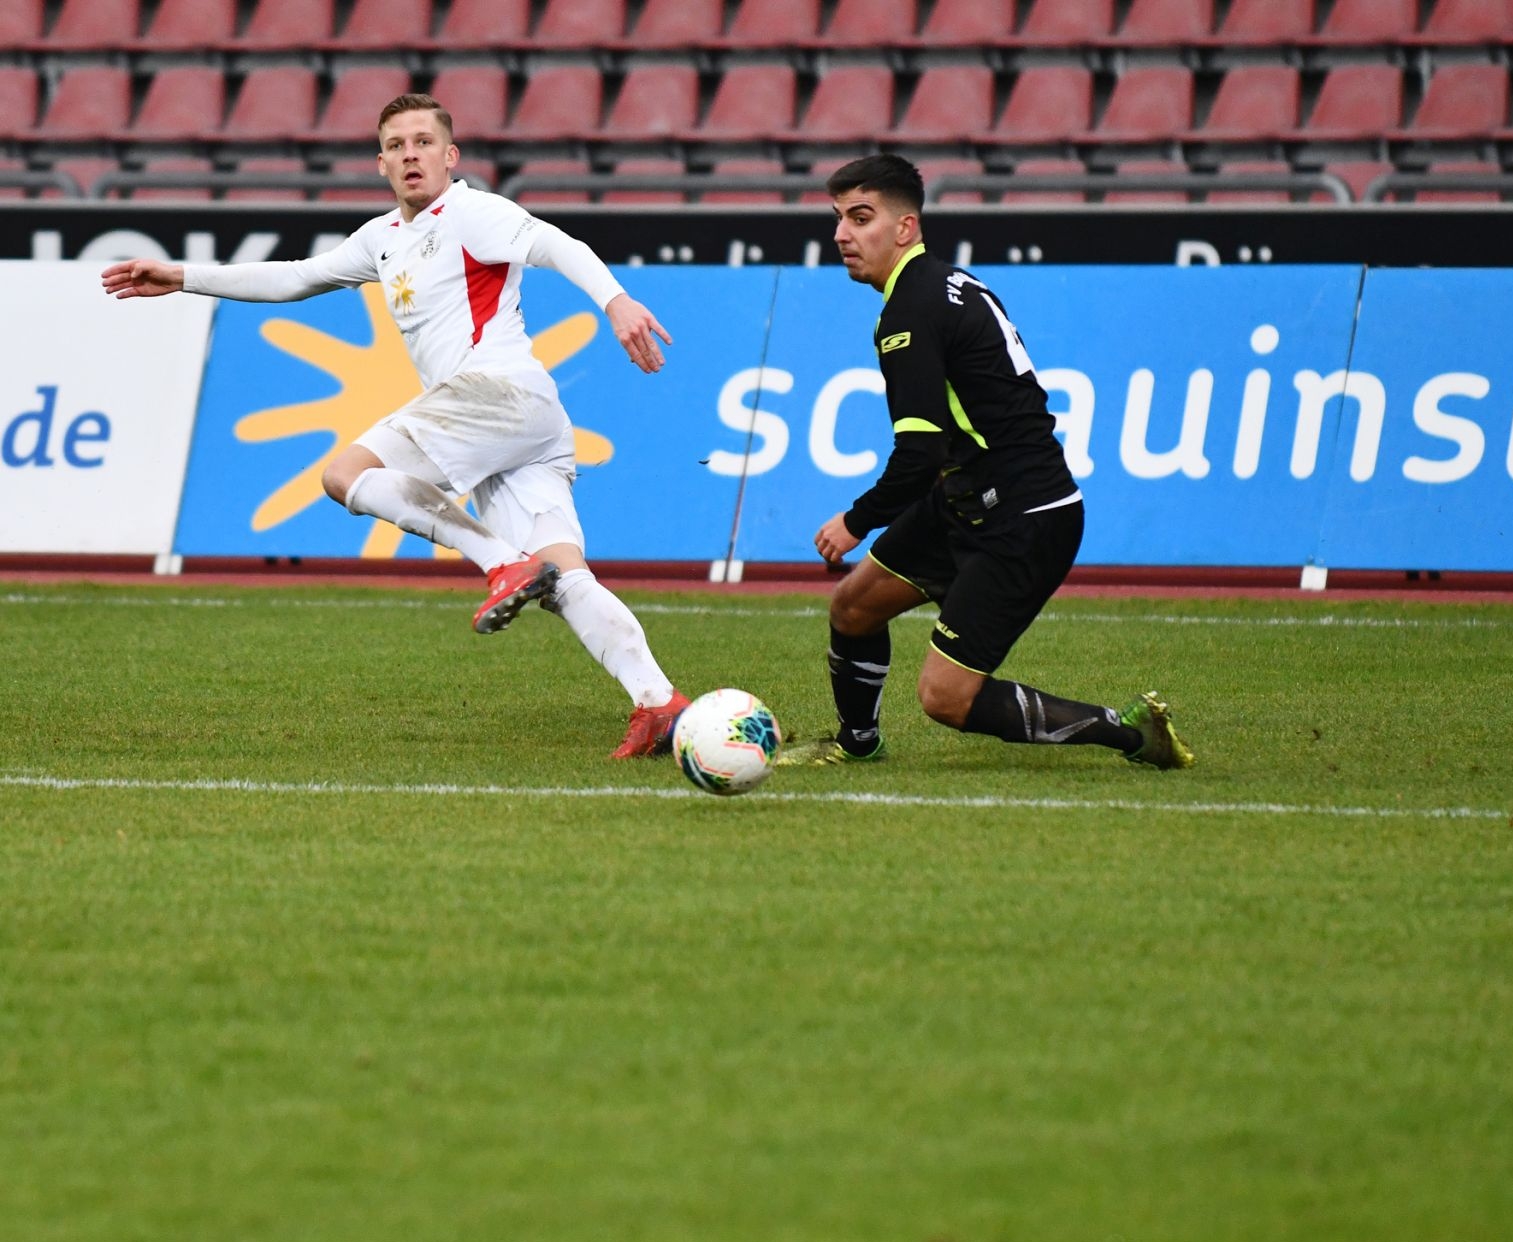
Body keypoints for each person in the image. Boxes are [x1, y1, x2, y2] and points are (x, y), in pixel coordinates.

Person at [102, 94, 691, 760]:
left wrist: (616, 303)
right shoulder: (383, 239)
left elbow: (559, 244)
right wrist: (181, 277)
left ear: (450, 155)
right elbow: (297, 278)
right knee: (564, 576)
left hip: (496, 394)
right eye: (397, 145)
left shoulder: (473, 212)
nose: (411, 154)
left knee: (344, 474)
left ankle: (500, 563)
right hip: (528, 422)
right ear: (380, 162)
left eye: (423, 141)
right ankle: (660, 704)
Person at [781, 153, 1194, 770]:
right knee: (853, 607)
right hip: (969, 497)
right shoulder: (945, 284)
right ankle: (855, 743)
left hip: (1024, 518)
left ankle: (1131, 731)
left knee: (945, 699)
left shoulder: (910, 312)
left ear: (906, 228)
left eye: (860, 217)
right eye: (838, 218)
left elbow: (918, 453)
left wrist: (856, 520)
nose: (842, 234)